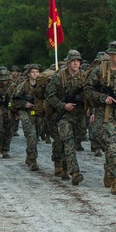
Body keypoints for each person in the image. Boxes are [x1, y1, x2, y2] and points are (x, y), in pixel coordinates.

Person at [84, 41, 116, 195]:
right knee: (112, 147)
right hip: (105, 116)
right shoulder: (100, 71)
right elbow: (88, 89)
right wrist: (103, 98)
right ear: (111, 55)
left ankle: (109, 169)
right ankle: (115, 181)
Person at [45, 50, 86, 185]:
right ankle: (74, 172)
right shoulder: (60, 76)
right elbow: (50, 95)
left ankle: (63, 166)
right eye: (73, 61)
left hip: (79, 115)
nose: (76, 63)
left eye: (78, 61)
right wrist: (63, 105)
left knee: (74, 141)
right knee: (68, 141)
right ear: (68, 62)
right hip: (63, 116)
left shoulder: (84, 77)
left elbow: (90, 93)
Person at [12, 64, 43, 171]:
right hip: (25, 112)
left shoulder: (42, 85)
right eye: (33, 72)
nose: (35, 74)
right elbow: (14, 101)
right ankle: (33, 160)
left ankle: (29, 156)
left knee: (36, 135)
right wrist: (24, 104)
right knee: (31, 136)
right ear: (28, 74)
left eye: (37, 72)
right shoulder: (22, 86)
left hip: (38, 113)